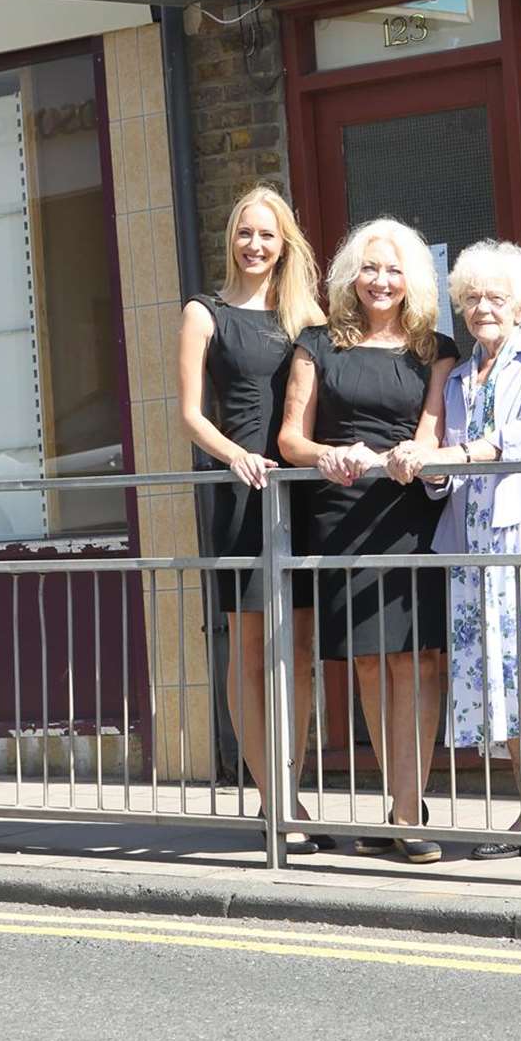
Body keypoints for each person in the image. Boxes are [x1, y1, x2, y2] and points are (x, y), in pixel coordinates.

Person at [391, 239, 521, 868]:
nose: (483, 308)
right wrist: (421, 467)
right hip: (473, 545)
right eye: (472, 297)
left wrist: (445, 457)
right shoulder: (456, 378)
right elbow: (446, 468)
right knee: (500, 681)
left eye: (495, 298)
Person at [278, 218, 457, 863]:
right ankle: (405, 805)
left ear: (413, 279)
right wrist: (327, 454)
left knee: (421, 657)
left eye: (394, 269)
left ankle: (408, 807)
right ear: (351, 276)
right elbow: (290, 440)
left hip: (410, 511)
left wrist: (419, 450)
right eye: (370, 268)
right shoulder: (317, 343)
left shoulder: (435, 348)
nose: (381, 281)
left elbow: (434, 430)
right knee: (374, 659)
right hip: (344, 512)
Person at [178, 185, 326, 853]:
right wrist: (238, 456)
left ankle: (290, 787)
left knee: (297, 650)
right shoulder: (203, 313)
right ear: (232, 240)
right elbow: (189, 413)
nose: (256, 244)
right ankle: (275, 799)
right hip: (241, 491)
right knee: (249, 649)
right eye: (245, 233)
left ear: (285, 242)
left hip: (299, 491)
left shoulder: (307, 317)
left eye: (268, 234)